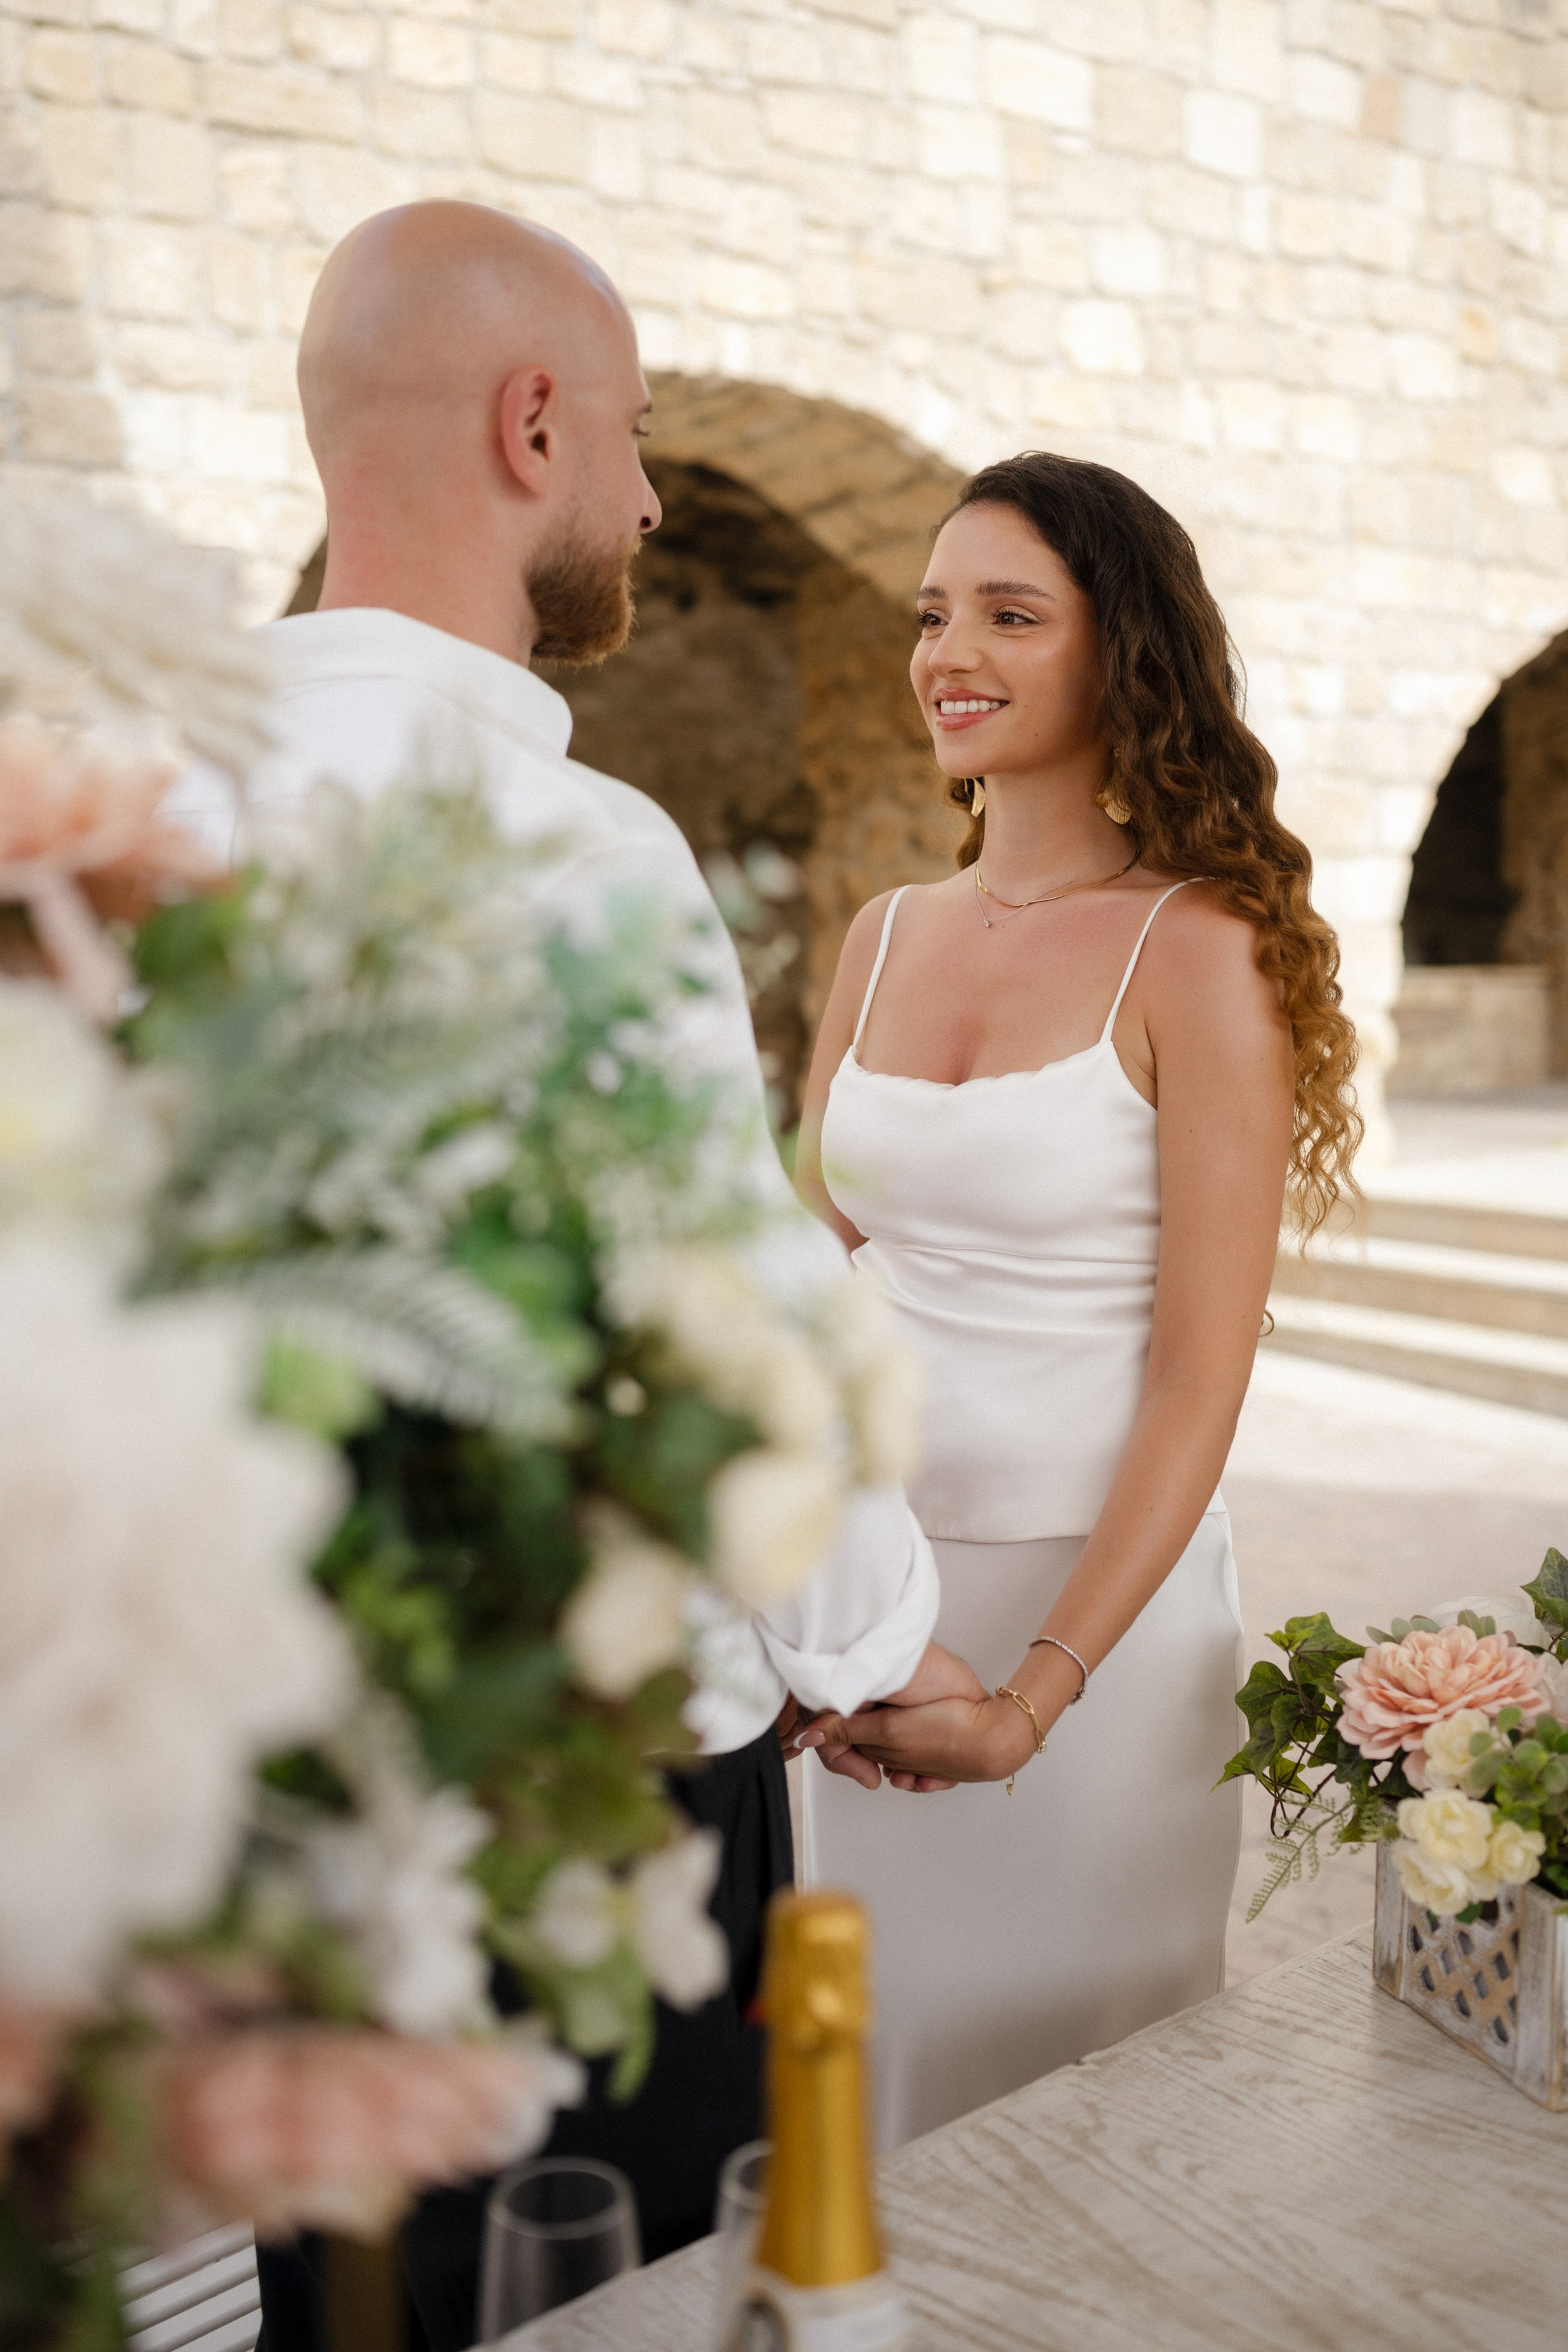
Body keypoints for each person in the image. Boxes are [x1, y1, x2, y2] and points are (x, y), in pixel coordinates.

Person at [170, 200, 979, 2351]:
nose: (640, 495)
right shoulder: (581, 849)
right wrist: (876, 1632)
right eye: (625, 442)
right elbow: (725, 1338)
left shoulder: (138, 796)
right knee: (611, 2312)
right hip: (577, 1819)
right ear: (534, 423)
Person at [790, 451, 1361, 2149]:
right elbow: (815, 1282)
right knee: (875, 2111)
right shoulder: (879, 936)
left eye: (1010, 615)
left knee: (1082, 2127)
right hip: (878, 1623)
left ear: (1127, 654)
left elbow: (1201, 1375)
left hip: (1089, 1637)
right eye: (932, 614)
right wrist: (813, 1610)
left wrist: (1034, 1695)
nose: (947, 651)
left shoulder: (1198, 949)